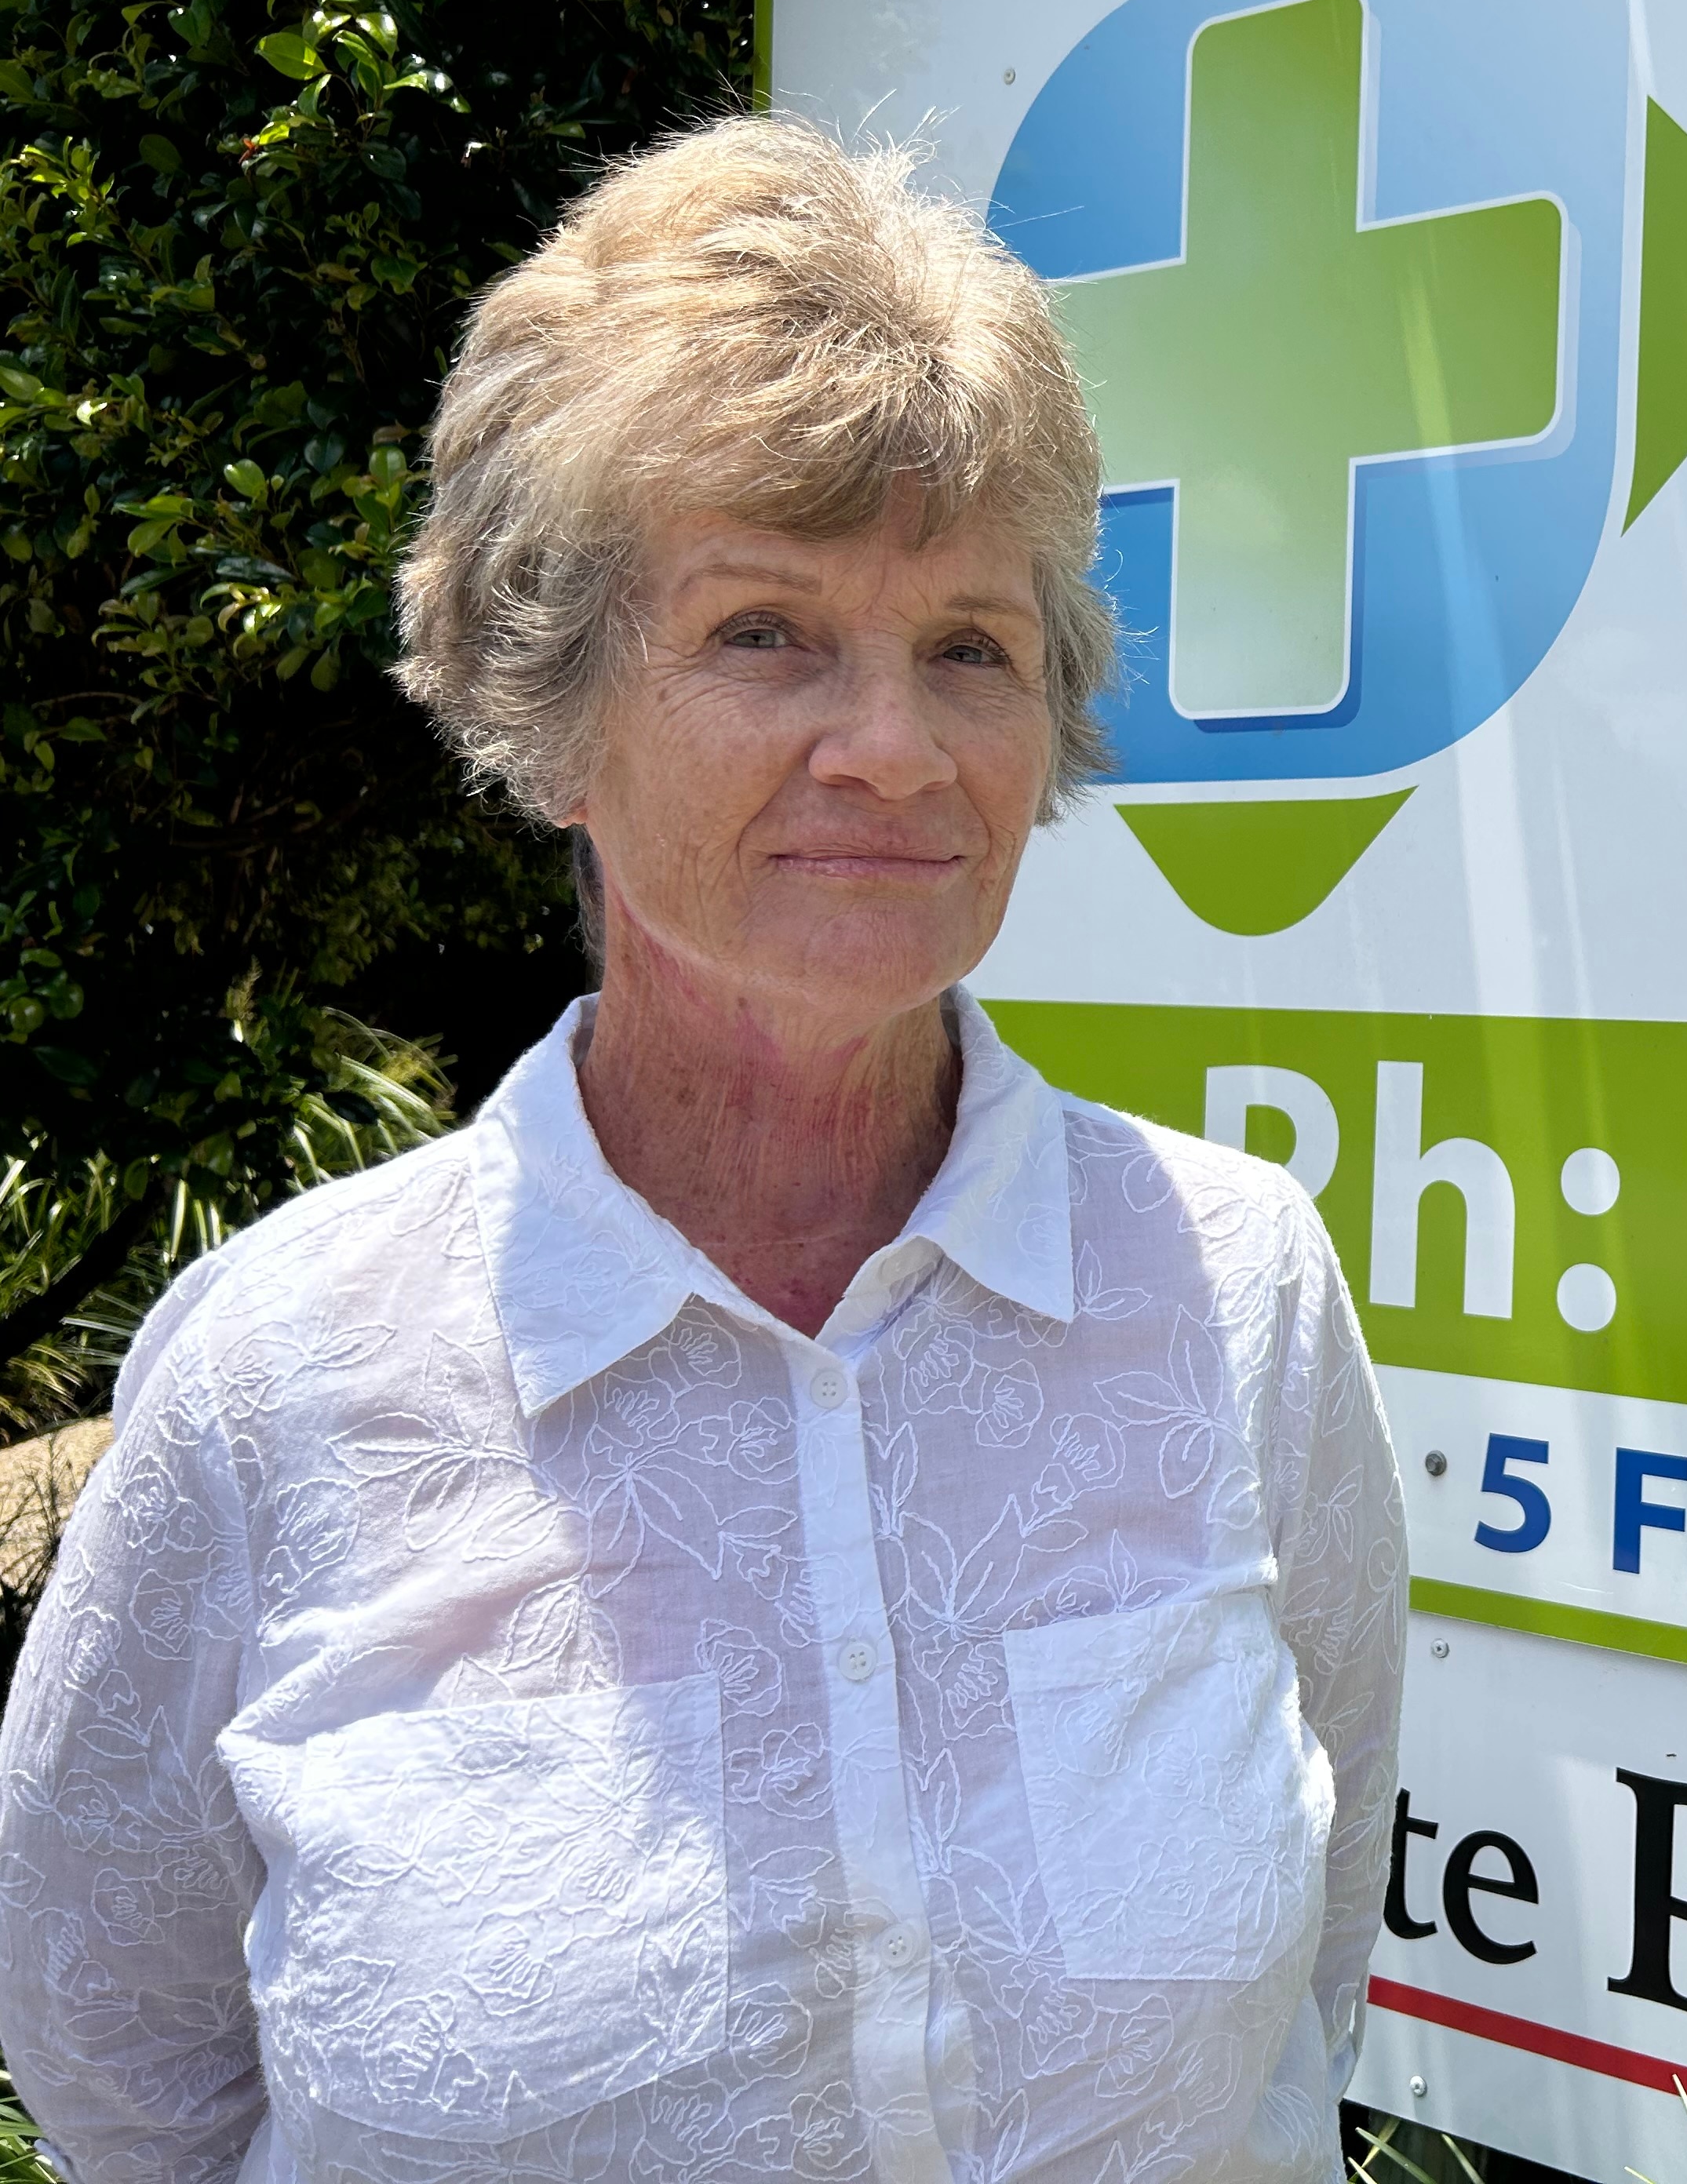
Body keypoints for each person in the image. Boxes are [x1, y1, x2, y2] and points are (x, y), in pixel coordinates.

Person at [0, 118, 1406, 2184]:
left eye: (970, 648)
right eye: (764, 632)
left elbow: (1315, 1949)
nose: (898, 747)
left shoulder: (1234, 1287)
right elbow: (122, 2049)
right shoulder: (283, 1380)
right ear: (548, 699)